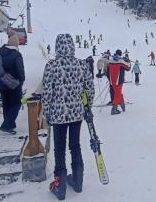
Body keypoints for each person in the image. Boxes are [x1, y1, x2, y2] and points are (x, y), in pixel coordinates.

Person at [42, 34, 94, 200]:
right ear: (72, 46)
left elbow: (47, 92)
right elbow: (89, 89)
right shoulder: (81, 64)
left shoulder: (52, 65)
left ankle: (60, 186)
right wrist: (87, 107)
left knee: (59, 149)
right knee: (75, 145)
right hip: (77, 113)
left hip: (58, 115)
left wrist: (47, 113)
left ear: (57, 46)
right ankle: (78, 182)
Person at [0, 35, 25, 134]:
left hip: (2, 83)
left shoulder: (0, 53)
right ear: (16, 44)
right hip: (14, 84)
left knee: (6, 103)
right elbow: (20, 70)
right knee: (16, 103)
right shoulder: (16, 54)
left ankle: (9, 125)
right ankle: (7, 125)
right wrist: (21, 81)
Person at [108, 50, 131, 115]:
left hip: (112, 80)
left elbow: (107, 69)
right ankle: (114, 109)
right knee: (117, 94)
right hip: (119, 80)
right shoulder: (121, 61)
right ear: (120, 54)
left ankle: (122, 104)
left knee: (118, 93)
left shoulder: (110, 60)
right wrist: (128, 61)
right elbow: (128, 68)